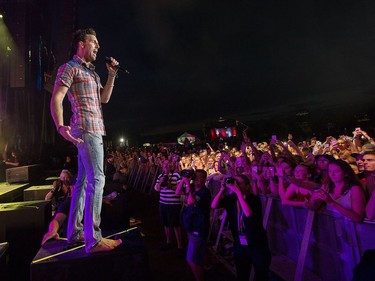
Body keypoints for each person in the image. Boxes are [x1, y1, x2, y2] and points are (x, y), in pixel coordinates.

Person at [50, 28, 121, 253]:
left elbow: (105, 99)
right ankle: (94, 239)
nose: (98, 46)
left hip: (93, 129)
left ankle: (75, 233)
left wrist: (111, 74)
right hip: (86, 129)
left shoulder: (93, 73)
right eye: (94, 42)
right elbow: (58, 97)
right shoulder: (69, 67)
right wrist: (60, 126)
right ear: (81, 44)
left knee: (81, 182)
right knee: (97, 179)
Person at [211, 174, 271, 281]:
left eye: (239, 183)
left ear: (248, 186)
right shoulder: (231, 199)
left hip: (257, 244)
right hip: (240, 243)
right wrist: (222, 190)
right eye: (235, 183)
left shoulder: (254, 199)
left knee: (261, 275)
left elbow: (248, 213)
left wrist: (238, 192)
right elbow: (214, 205)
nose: (236, 185)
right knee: (242, 274)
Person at [176, 169, 212, 281]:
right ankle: (207, 266)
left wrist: (187, 184)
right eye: (194, 176)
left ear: (205, 179)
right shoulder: (191, 187)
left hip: (199, 227)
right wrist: (184, 179)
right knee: (200, 248)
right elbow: (177, 193)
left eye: (199, 177)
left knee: (191, 260)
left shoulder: (205, 192)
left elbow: (191, 201)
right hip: (190, 224)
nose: (196, 179)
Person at [154, 160, 183, 252]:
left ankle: (180, 246)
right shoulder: (160, 176)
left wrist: (169, 185)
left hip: (174, 204)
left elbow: (180, 189)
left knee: (175, 224)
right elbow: (156, 189)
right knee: (165, 223)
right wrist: (160, 182)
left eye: (168, 164)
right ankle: (168, 242)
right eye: (165, 165)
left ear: (172, 165)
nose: (166, 166)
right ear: (162, 166)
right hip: (163, 203)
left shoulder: (177, 175)